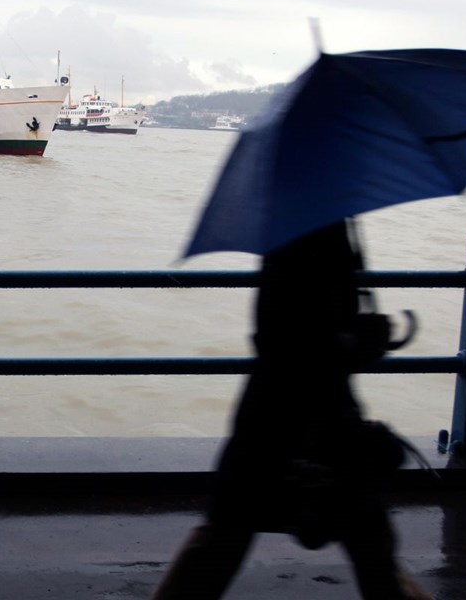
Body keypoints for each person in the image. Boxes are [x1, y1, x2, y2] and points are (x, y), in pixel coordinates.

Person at [150, 220, 430, 600]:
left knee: (227, 532)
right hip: (303, 412)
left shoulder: (304, 227)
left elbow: (283, 332)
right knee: (368, 538)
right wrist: (353, 342)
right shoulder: (316, 230)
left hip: (273, 415)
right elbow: (286, 336)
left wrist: (350, 337)